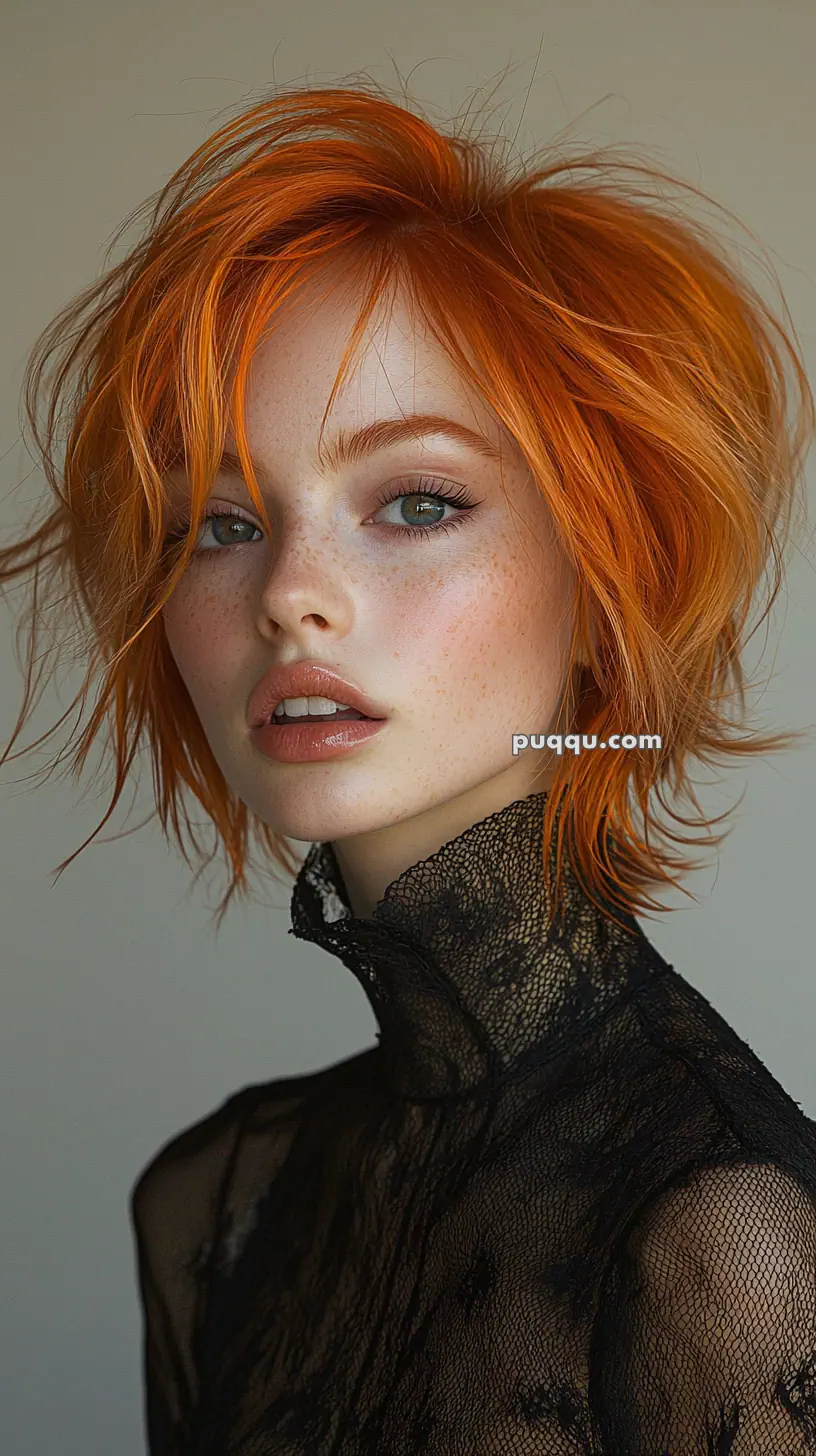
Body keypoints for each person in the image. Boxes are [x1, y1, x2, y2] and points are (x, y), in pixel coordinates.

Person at [3, 76, 816, 1455]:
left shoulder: (722, 1236)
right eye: (217, 520)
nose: (290, 595)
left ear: (602, 586)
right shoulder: (217, 1202)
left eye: (418, 501)